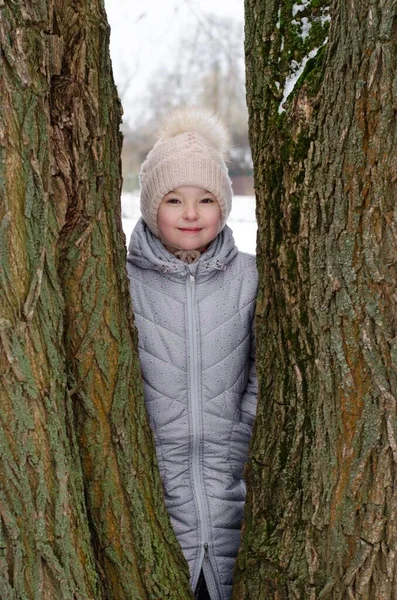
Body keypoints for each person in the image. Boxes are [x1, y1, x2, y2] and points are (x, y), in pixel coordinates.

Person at [126, 106, 258, 600]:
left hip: (233, 488)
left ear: (223, 206)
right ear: (150, 206)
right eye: (174, 199)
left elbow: (267, 367)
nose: (190, 214)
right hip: (155, 494)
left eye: (205, 199)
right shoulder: (124, 282)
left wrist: (245, 431)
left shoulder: (250, 277)